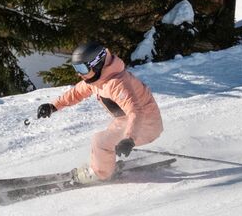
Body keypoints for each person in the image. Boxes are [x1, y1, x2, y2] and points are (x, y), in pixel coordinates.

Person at [35, 41, 164, 183]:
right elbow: (76, 93)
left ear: (96, 63)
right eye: (76, 68)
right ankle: (103, 166)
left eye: (82, 69)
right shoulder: (97, 79)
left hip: (145, 125)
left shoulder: (117, 83)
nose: (79, 74)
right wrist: (53, 106)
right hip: (125, 122)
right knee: (104, 142)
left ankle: (99, 174)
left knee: (101, 141)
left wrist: (129, 139)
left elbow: (136, 112)